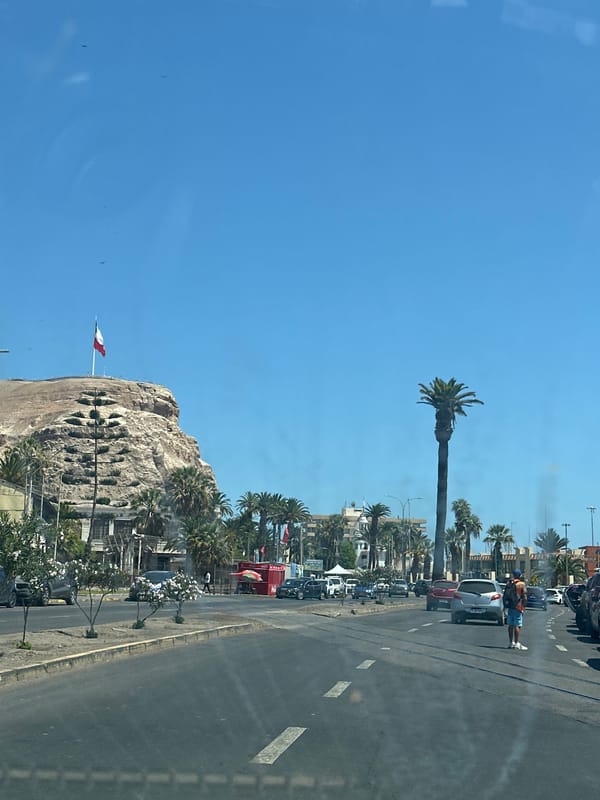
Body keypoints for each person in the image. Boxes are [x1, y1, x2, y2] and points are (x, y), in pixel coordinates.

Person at [506, 569, 528, 650]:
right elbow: (524, 596)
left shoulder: (509, 583)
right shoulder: (521, 584)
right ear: (520, 575)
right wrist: (524, 606)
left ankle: (510, 642)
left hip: (510, 606)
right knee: (517, 625)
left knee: (510, 625)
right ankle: (517, 643)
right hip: (518, 606)